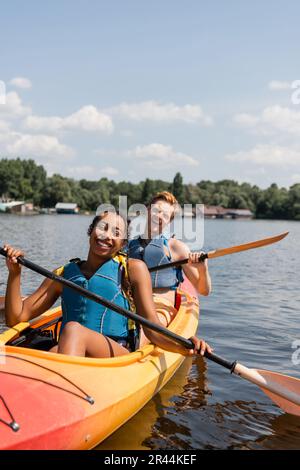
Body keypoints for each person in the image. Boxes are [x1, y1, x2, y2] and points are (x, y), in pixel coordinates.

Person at [4, 210, 212, 358]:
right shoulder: (64, 273)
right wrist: (15, 273)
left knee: (73, 330)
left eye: (116, 233)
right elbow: (16, 317)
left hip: (115, 353)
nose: (107, 236)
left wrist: (184, 344)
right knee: (54, 349)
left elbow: (153, 328)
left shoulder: (132, 269)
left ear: (122, 244)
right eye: (102, 228)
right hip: (70, 349)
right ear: (91, 231)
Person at [128, 191, 212, 329]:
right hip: (131, 304)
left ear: (169, 221)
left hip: (160, 306)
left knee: (144, 328)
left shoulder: (176, 247)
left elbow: (204, 290)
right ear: (148, 210)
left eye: (165, 215)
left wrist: (203, 268)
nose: (159, 216)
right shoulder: (129, 246)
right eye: (157, 210)